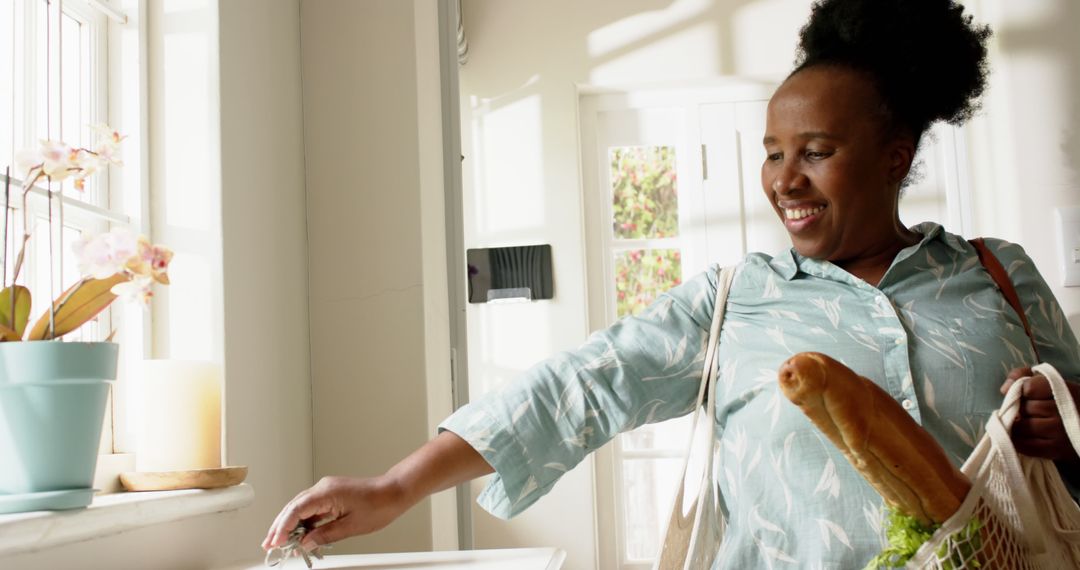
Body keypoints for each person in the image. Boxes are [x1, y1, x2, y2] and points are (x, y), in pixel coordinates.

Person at [264, 0, 1080, 566]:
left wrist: (1069, 422)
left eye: (816, 151)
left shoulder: (997, 275)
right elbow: (578, 388)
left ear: (895, 155)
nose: (784, 180)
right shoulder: (733, 302)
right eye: (773, 151)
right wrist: (394, 486)